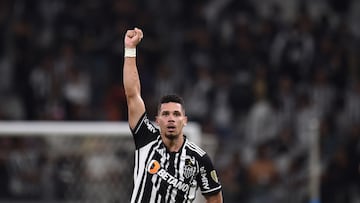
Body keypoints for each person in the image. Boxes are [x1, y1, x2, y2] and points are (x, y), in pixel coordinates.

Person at [123, 27, 223, 203]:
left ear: (184, 121)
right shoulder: (146, 137)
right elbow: (133, 95)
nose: (171, 118)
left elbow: (215, 199)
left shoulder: (199, 159)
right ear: (158, 120)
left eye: (176, 114)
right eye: (166, 114)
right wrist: (130, 50)